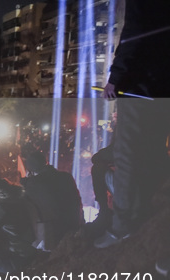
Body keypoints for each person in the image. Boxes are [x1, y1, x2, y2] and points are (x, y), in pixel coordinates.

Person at [95, 0, 170, 248]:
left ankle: (122, 227)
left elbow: (135, 32)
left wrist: (116, 78)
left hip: (143, 84)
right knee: (154, 148)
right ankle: (147, 212)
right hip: (162, 83)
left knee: (127, 154)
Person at [21, 150, 84, 251]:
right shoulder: (66, 176)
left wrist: (26, 183)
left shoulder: (34, 183)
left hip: (53, 232)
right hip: (75, 224)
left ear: (30, 167)